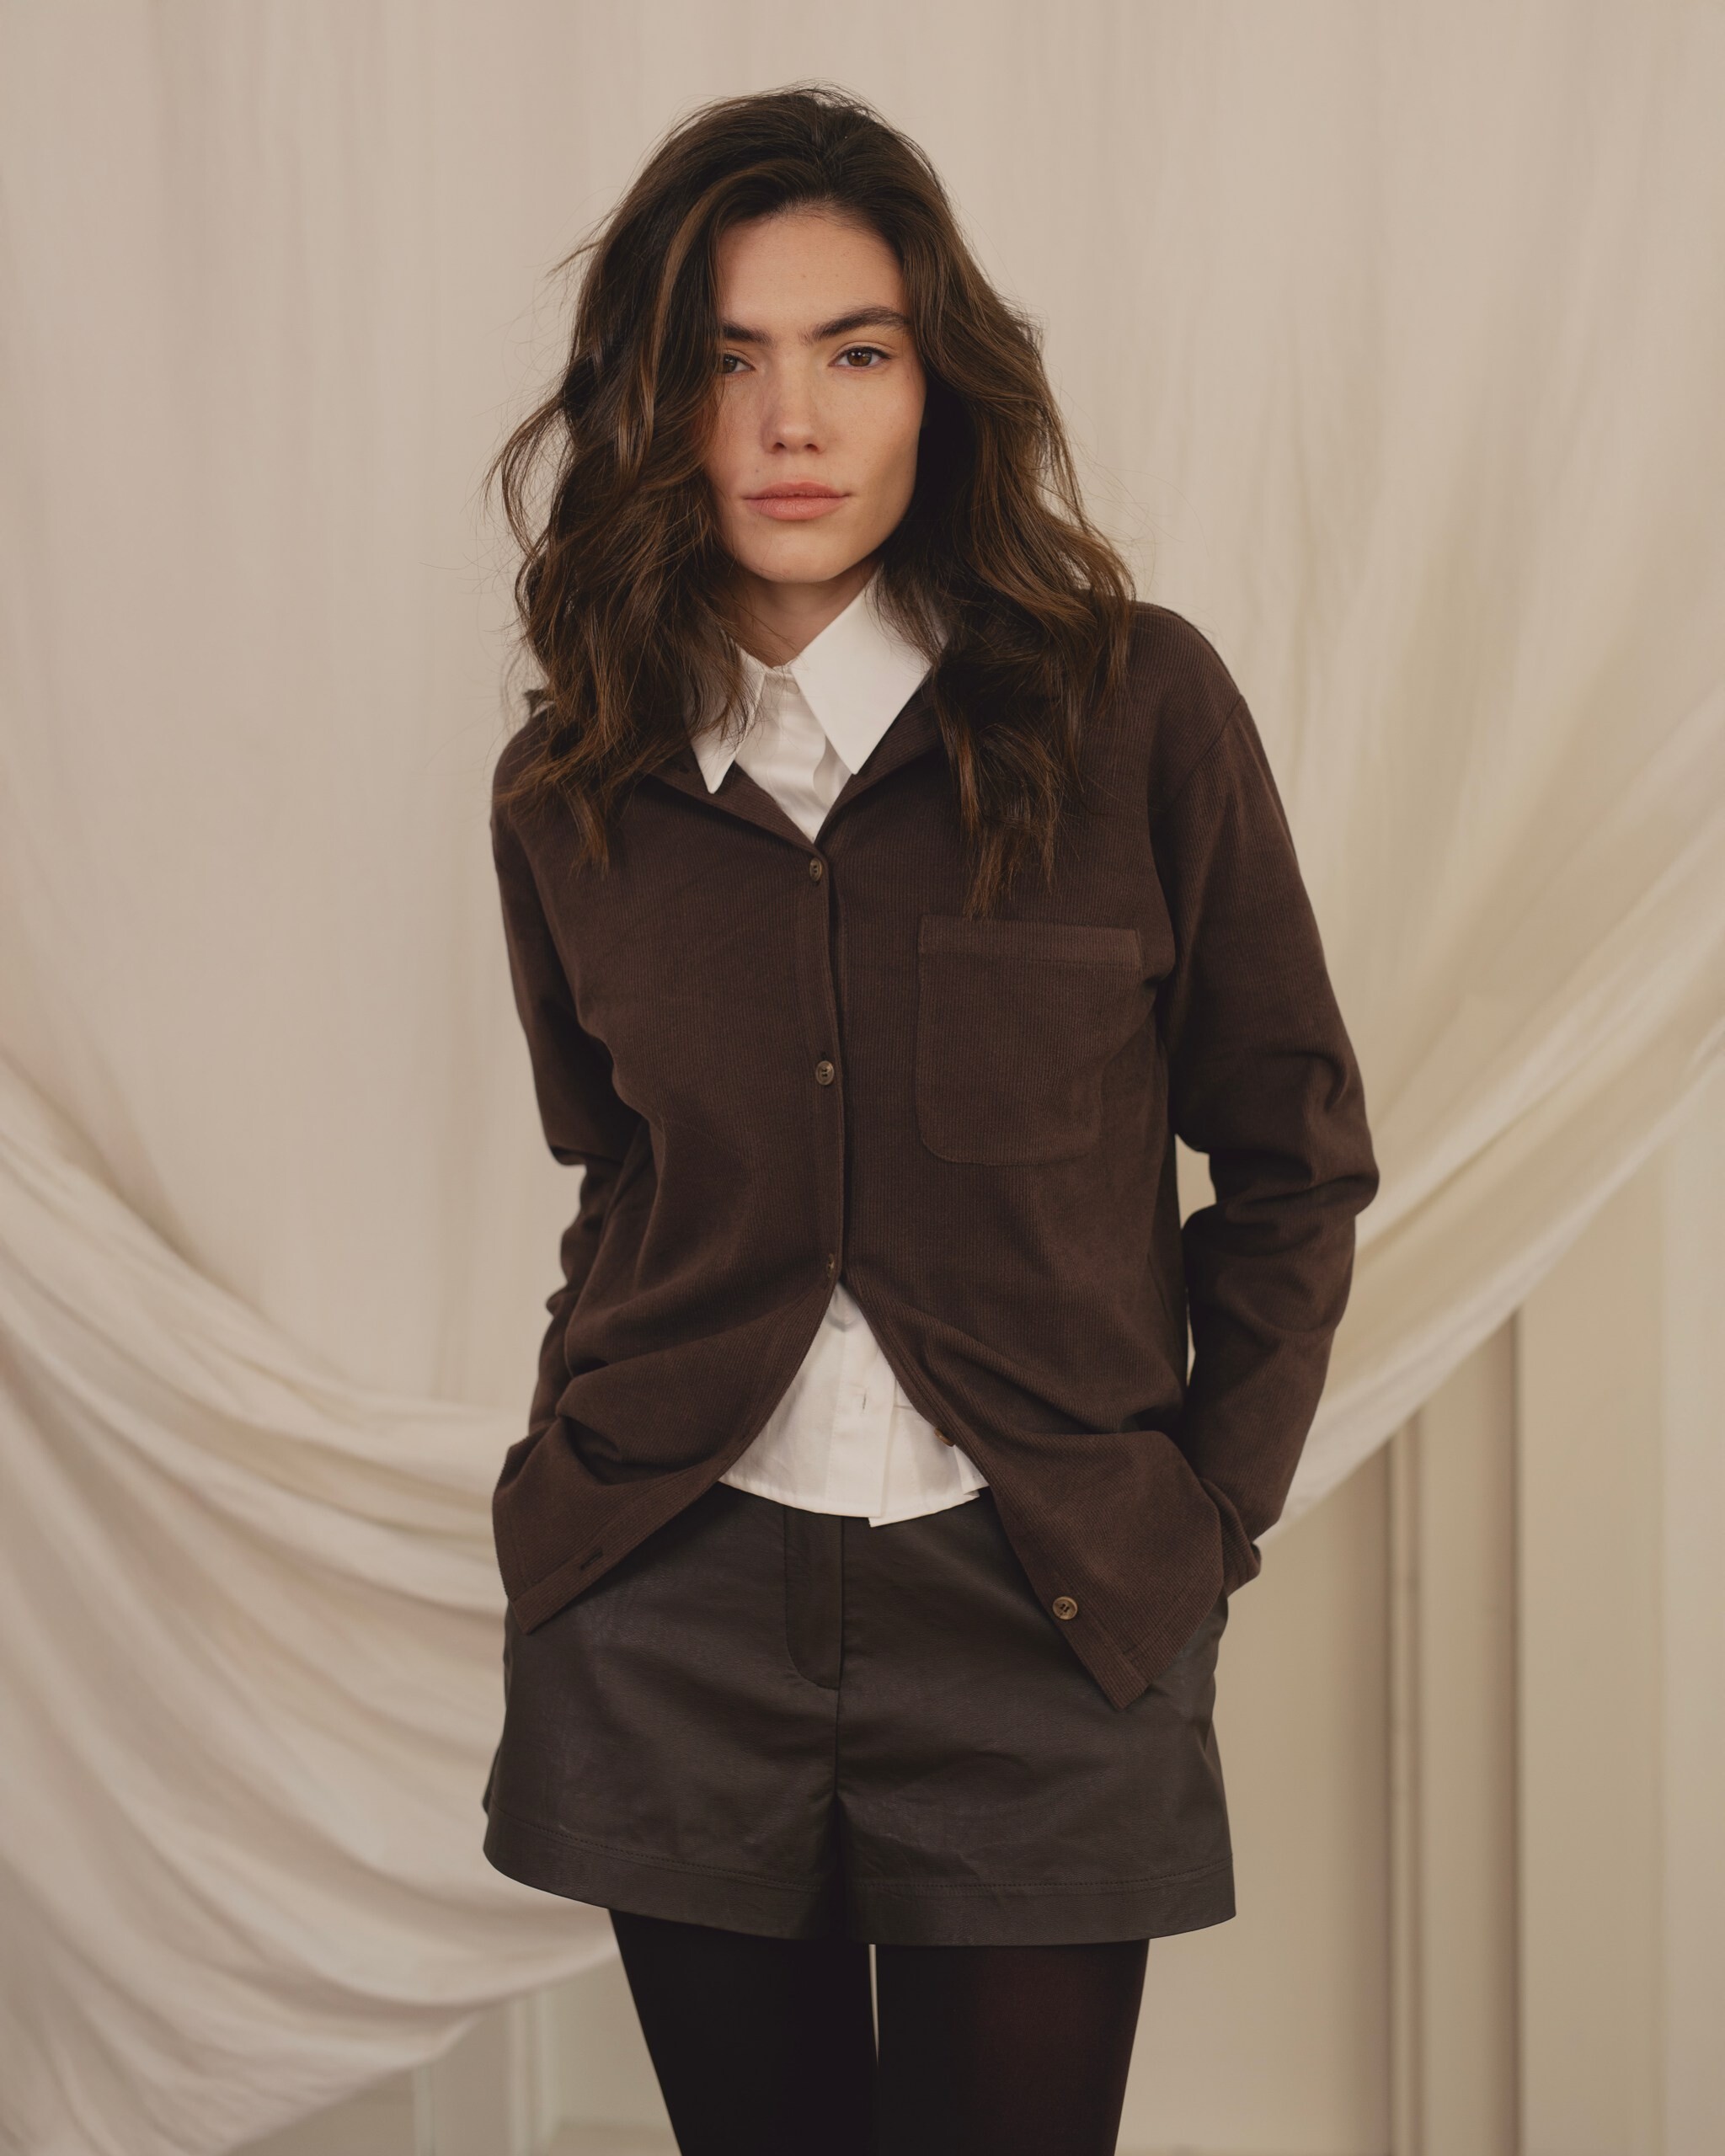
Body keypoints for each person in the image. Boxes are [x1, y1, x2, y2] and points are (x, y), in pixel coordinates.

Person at [478, 82, 1379, 2156]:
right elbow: (617, 1170)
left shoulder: (1136, 708)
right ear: (647, 405)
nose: (789, 421)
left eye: (854, 353)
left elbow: (1292, 1153)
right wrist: (567, 1497)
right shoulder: (573, 783)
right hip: (673, 1597)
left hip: (1046, 1600)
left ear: (936, 389)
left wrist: (1197, 1522)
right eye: (724, 359)